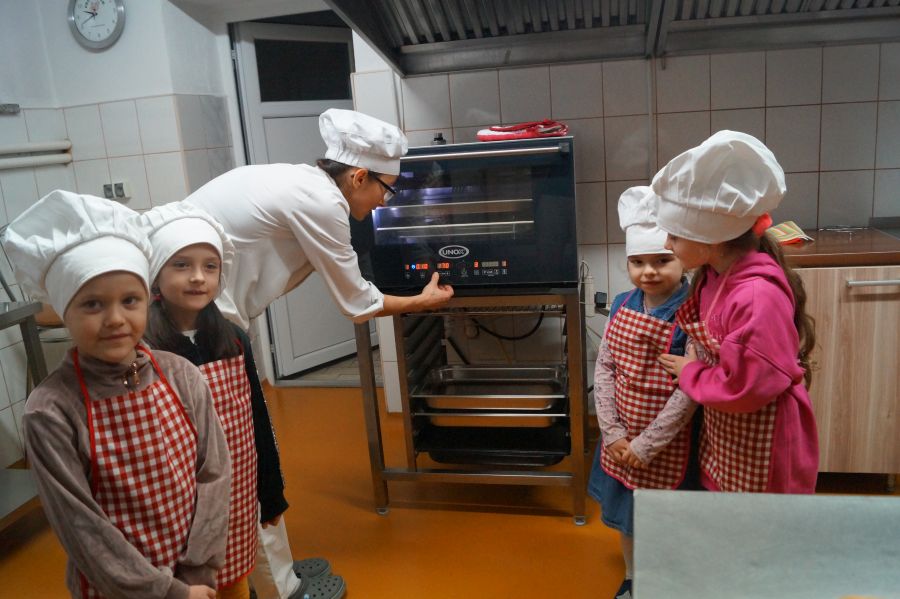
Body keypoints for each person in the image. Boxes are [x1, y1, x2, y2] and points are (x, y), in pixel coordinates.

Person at [162, 108, 452, 599]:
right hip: (199, 329)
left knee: (244, 452)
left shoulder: (303, 183)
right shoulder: (321, 203)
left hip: (203, 317)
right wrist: (421, 302)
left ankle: (272, 575)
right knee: (247, 459)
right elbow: (357, 303)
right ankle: (279, 588)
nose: (383, 201)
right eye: (385, 189)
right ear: (358, 176)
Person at [1, 190, 231, 599]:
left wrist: (196, 570)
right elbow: (82, 528)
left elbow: (213, 473)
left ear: (147, 300)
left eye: (130, 300)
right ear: (64, 313)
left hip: (194, 578)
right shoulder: (51, 410)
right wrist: (165, 591)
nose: (115, 319)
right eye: (92, 304)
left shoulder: (181, 376)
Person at [139, 204, 347, 599]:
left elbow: (257, 419)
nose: (198, 277)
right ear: (156, 274)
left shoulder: (232, 338)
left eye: (210, 266)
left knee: (233, 578)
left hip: (236, 494)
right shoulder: (144, 349)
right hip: (176, 501)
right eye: (181, 265)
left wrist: (271, 493)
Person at [655, 130, 819, 494]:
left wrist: (691, 372)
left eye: (674, 235)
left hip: (766, 442)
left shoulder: (757, 298)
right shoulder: (713, 275)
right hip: (730, 431)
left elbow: (746, 387)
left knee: (761, 526)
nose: (667, 244)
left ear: (710, 237)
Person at [588, 186, 696, 599]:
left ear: (681, 259)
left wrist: (647, 444)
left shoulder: (693, 311)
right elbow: (605, 368)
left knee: (669, 519)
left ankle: (668, 580)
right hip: (622, 438)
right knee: (630, 518)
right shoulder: (621, 303)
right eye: (638, 262)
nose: (648, 272)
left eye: (661, 261)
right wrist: (613, 432)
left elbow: (689, 391)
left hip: (668, 442)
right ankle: (635, 577)